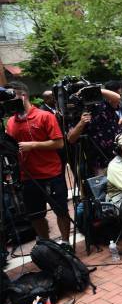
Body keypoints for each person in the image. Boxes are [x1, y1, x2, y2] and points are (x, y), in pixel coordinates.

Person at [4, 81, 71, 244]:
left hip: (52, 173)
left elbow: (59, 143)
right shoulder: (11, 122)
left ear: (23, 95)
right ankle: (48, 245)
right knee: (36, 215)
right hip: (27, 177)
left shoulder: (44, 116)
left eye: (11, 96)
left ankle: (66, 242)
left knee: (61, 211)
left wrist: (33, 145)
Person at [66, 85, 122, 177]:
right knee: (106, 188)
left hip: (119, 151)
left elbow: (117, 98)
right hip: (98, 159)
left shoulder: (103, 103)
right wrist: (81, 123)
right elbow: (71, 139)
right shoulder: (76, 111)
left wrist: (96, 90)